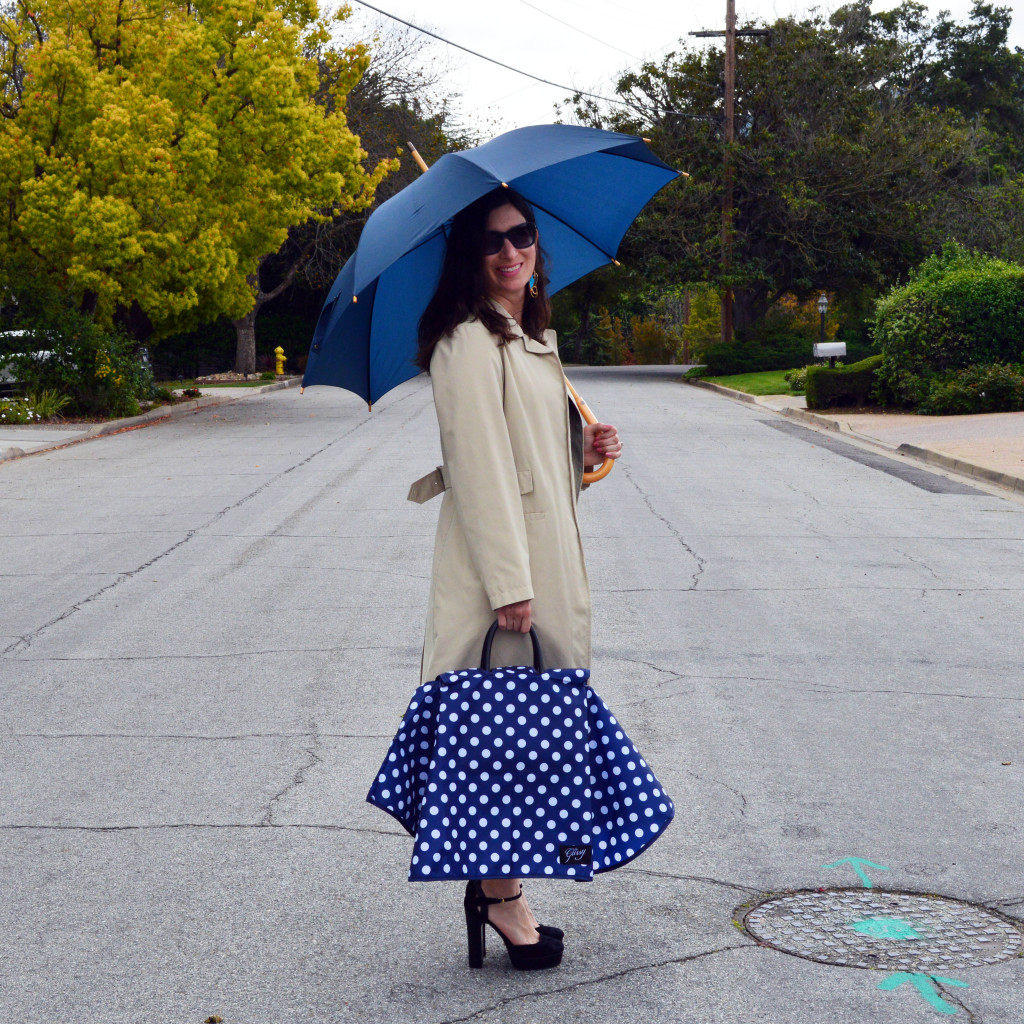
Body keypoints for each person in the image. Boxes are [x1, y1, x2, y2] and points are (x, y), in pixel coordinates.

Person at [411, 187, 622, 970]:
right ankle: (501, 899)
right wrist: (508, 584)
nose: (510, 252)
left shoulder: (527, 338)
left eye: (521, 235)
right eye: (492, 242)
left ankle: (502, 892)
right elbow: (482, 470)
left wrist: (586, 450)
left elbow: (535, 462)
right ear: (471, 257)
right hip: (504, 578)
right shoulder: (467, 340)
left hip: (543, 564)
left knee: (524, 742)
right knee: (494, 742)